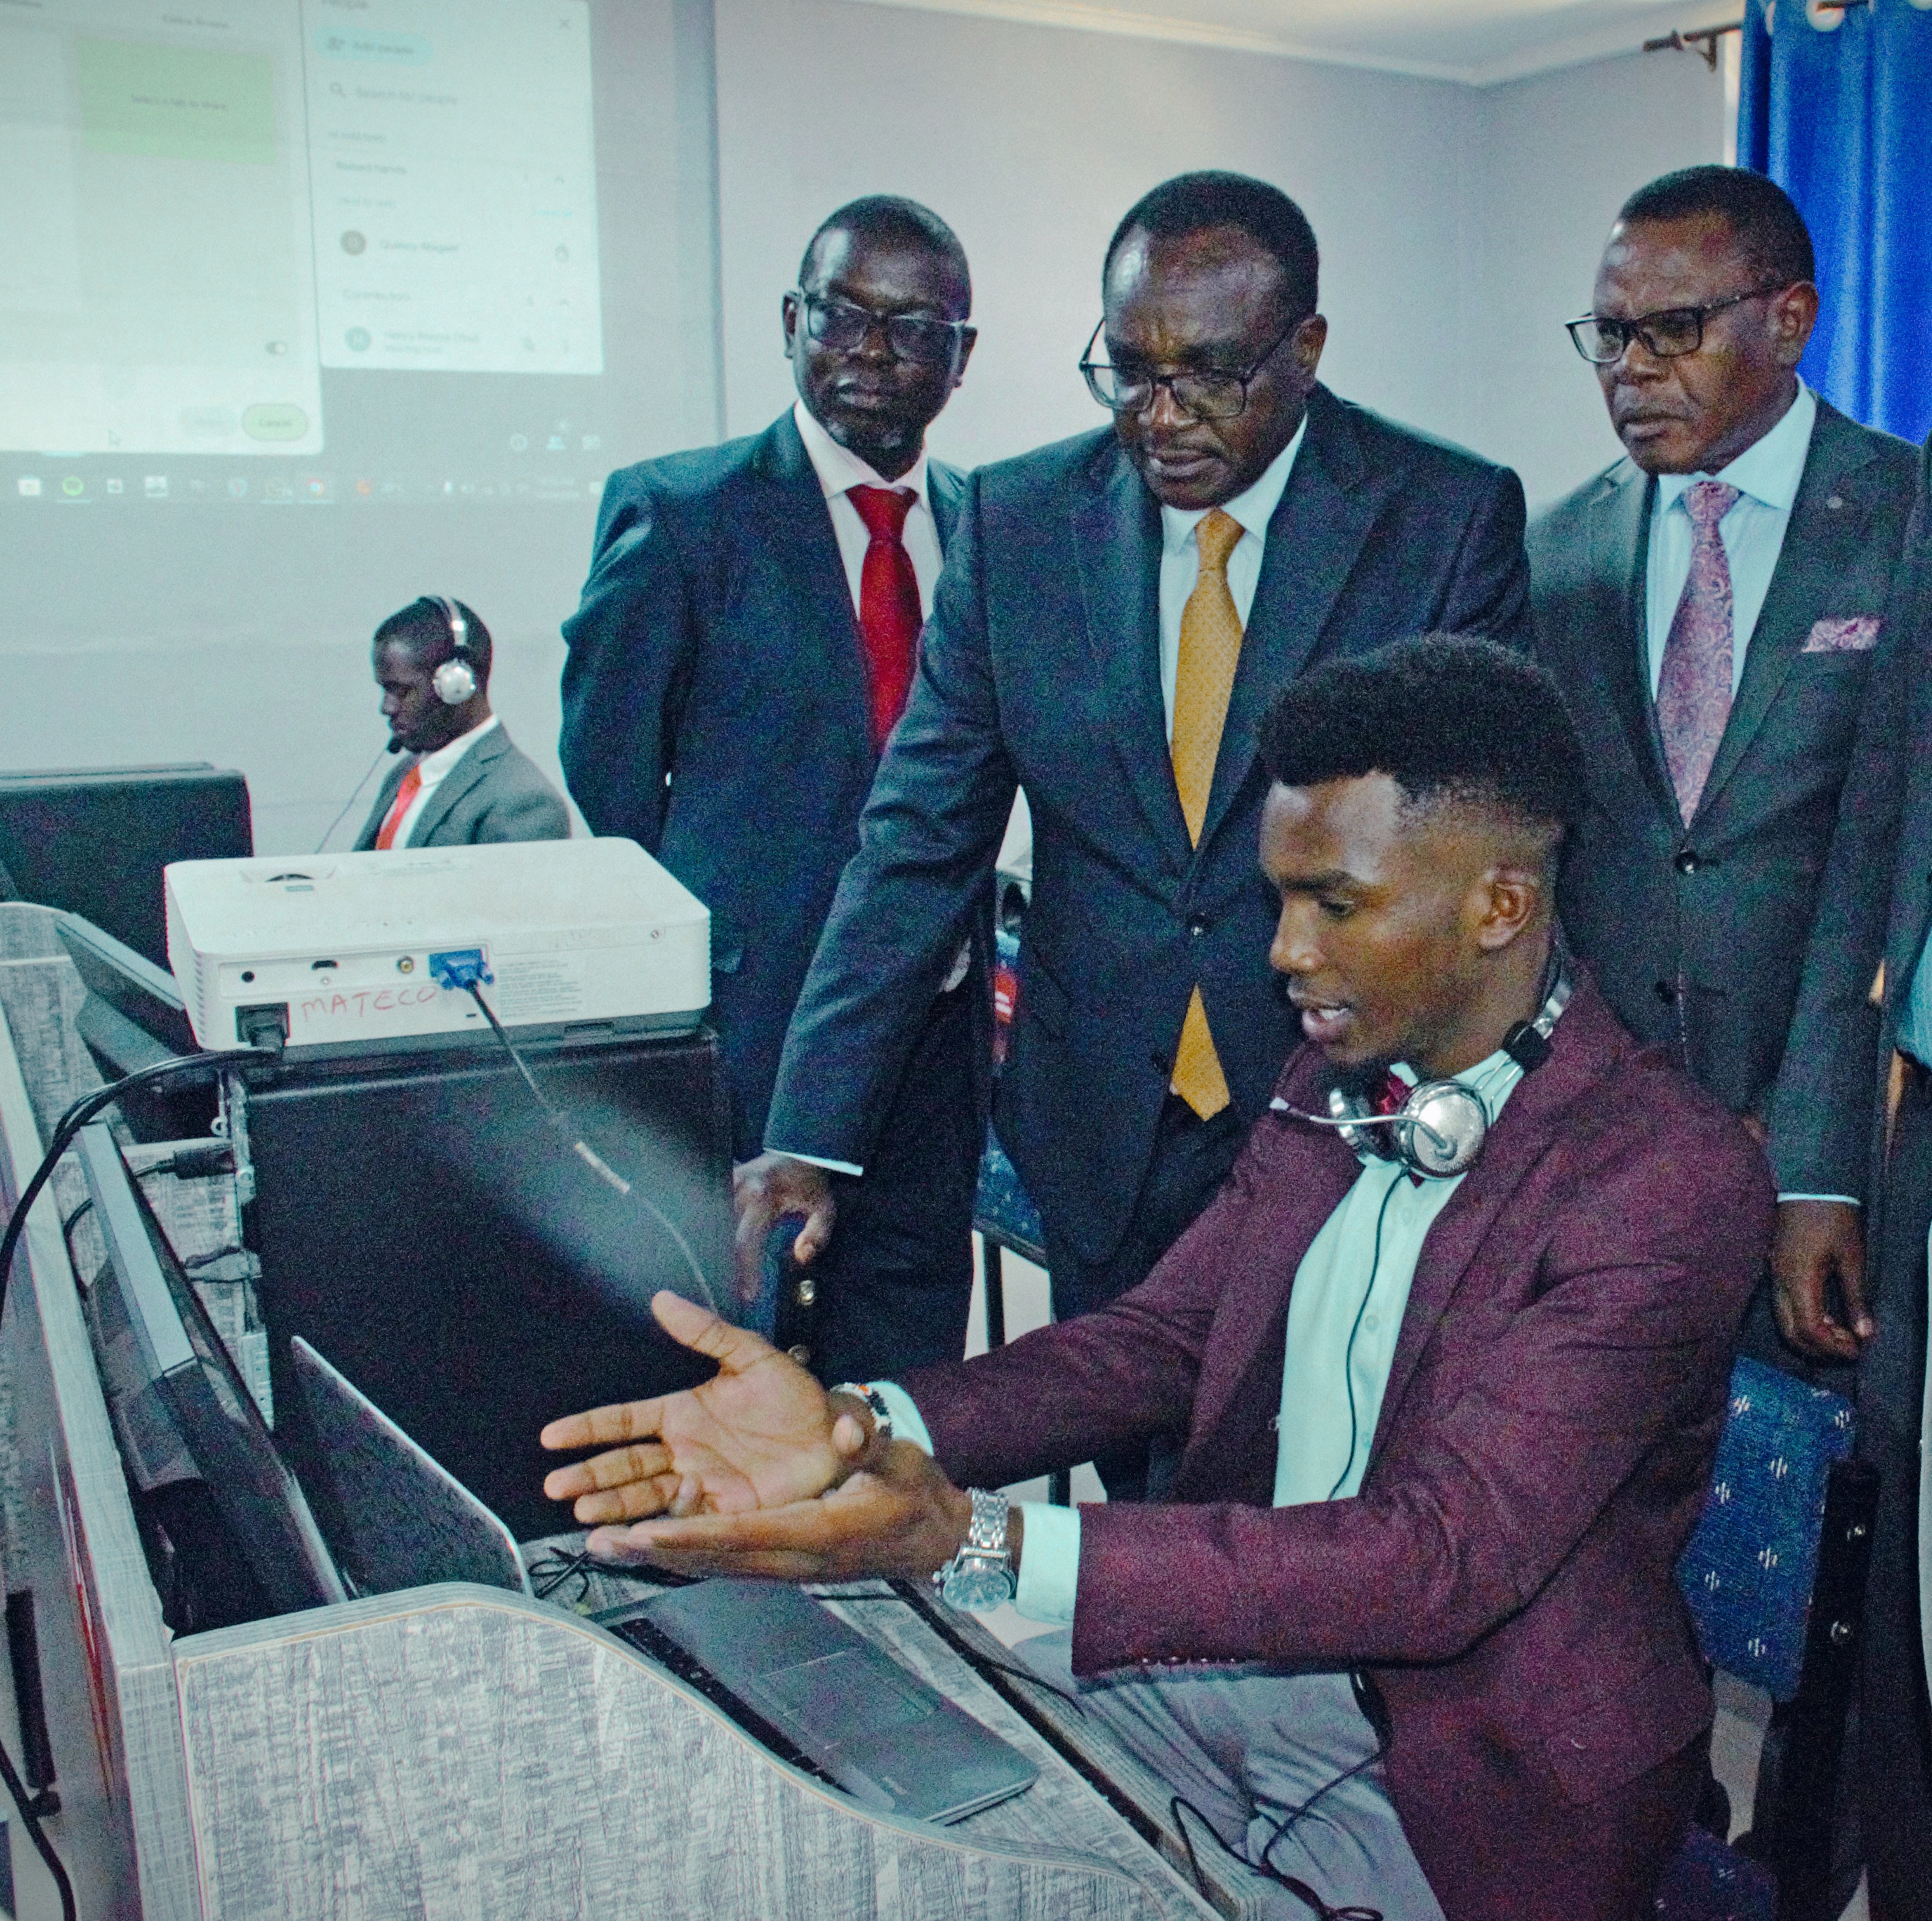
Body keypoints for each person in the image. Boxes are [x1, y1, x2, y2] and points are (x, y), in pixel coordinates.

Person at [543, 637, 1768, 1921]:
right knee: (878, 1825)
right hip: (1241, 1664)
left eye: (1331, 905)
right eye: (1277, 901)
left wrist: (975, 1544)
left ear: (1498, 906)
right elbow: (1156, 1342)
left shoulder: (1659, 1177)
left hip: (1470, 1782)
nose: (1283, 953)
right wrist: (860, 1427)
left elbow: (1435, 1557)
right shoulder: (1328, 1085)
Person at [736, 172, 1531, 1493]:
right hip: (1104, 1115)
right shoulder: (1015, 523)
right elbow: (915, 844)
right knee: (1135, 1488)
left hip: (1348, 1109)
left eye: (1208, 376)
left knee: (1318, 1497)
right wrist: (812, 1131)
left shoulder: (1436, 519)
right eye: (1127, 372)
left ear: (1305, 350)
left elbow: (1476, 852)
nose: (1157, 418)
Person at [558, 197, 981, 1384]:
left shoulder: (989, 526)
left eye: (911, 328)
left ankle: (883, 1566)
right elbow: (611, 776)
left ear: (960, 356)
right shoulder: (684, 513)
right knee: (738, 1353)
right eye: (840, 317)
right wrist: (730, 936)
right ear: (790, 322)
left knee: (906, 1359)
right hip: (752, 1032)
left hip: (934, 1040)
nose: (870, 353)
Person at [1528, 165, 1918, 1372]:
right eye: (1607, 335)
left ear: (1788, 319)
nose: (1629, 370)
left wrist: (1813, 1169)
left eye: (1671, 331)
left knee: (1812, 1520)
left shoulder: (1906, 519)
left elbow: (1886, 870)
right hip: (1601, 1153)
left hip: (1833, 1147)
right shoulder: (1556, 549)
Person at [1771, 430, 1932, 1920]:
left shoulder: (1882, 483)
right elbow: (1878, 838)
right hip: (1912, 1132)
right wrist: (1823, 1157)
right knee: (1898, 1596)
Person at [357, 595, 570, 850]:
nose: (386, 707)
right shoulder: (403, 776)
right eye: (384, 689)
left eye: (400, 690)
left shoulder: (524, 803)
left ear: (456, 685)